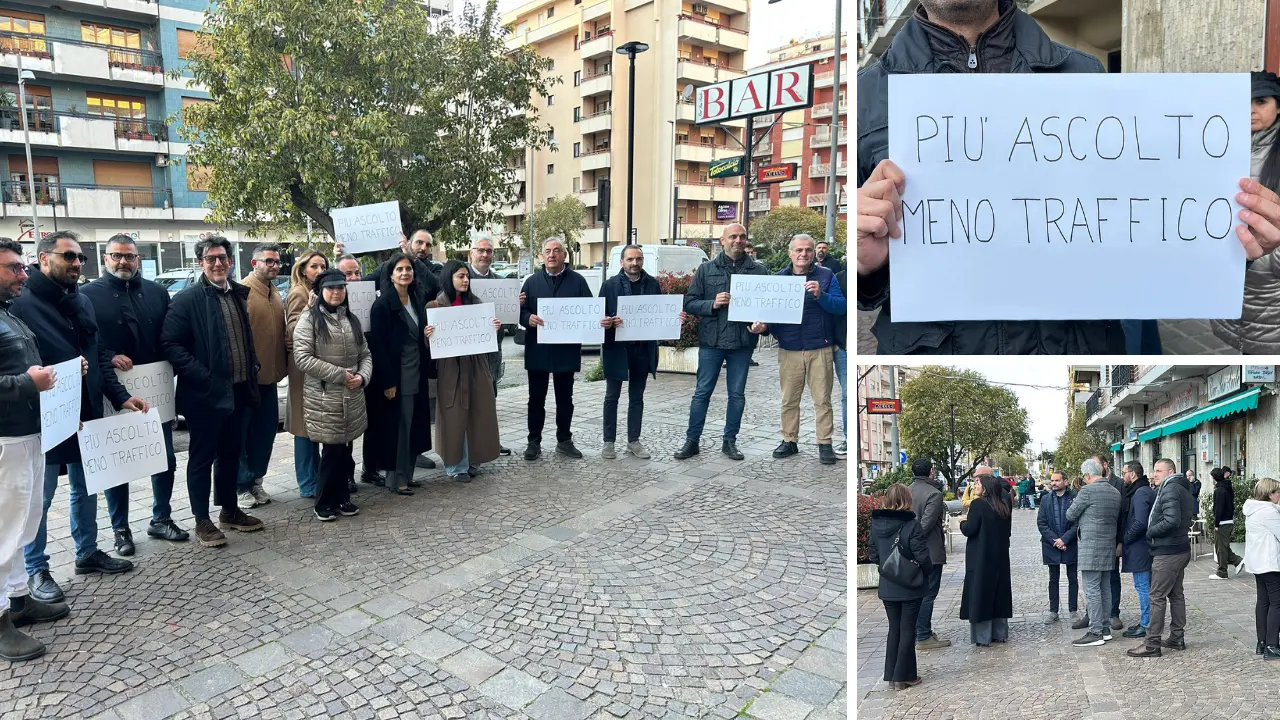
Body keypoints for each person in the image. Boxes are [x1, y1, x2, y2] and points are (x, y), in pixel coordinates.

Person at [856, 0, 1280, 353]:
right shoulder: (866, 95)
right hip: (932, 349)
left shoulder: (1085, 74)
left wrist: (1217, 246)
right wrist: (861, 266)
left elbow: (1132, 221)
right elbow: (858, 273)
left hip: (1075, 343)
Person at [14, 231, 144, 603]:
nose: (75, 264)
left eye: (79, 258)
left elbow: (98, 352)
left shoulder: (80, 300)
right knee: (40, 498)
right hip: (42, 418)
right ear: (43, 259)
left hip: (84, 412)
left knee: (86, 488)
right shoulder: (22, 304)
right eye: (68, 256)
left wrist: (121, 398)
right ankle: (36, 568)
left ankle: (87, 553)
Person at [81, 234, 189, 550]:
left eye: (129, 256)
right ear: (105, 258)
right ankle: (121, 530)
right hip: (112, 389)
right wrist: (109, 355)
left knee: (165, 459)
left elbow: (170, 335)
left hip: (155, 390)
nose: (123, 262)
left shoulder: (157, 292)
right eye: (116, 256)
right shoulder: (87, 295)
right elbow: (87, 340)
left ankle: (161, 519)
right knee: (118, 464)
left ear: (138, 259)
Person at [162, 235, 265, 548]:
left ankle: (230, 511)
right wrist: (203, 376)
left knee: (232, 454)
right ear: (200, 263)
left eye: (222, 258)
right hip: (205, 396)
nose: (218, 264)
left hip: (237, 392)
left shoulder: (237, 295)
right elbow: (170, 344)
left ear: (230, 261)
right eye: (211, 259)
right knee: (201, 458)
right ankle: (201, 520)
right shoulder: (187, 299)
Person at [0, 237, 69, 662]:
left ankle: (20, 599)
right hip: (4, 442)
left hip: (28, 435)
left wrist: (62, 378)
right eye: (13, 268)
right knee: (3, 534)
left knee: (25, 525)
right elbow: (23, 379)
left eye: (23, 267)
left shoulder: (9, 315)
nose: (23, 274)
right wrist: (31, 383)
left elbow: (30, 372)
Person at [674, 224, 770, 461]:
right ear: (723, 240)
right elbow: (689, 303)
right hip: (712, 343)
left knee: (736, 395)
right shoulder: (706, 269)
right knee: (701, 393)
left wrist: (763, 326)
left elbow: (768, 308)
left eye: (742, 236)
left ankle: (730, 441)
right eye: (733, 237)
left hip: (742, 343)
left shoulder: (759, 271)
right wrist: (712, 304)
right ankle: (692, 441)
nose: (738, 240)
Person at [293, 269, 372, 521]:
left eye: (340, 287)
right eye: (331, 288)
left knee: (344, 449)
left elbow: (365, 355)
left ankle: (342, 497)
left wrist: (362, 377)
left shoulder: (351, 319)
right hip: (326, 397)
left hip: (352, 395)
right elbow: (303, 358)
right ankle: (323, 502)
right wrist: (341, 374)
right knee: (331, 451)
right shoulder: (310, 319)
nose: (336, 292)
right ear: (320, 291)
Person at [763, 235, 845, 465]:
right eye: (799, 250)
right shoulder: (779, 279)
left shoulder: (826, 276)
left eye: (808, 250)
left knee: (823, 400)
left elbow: (841, 307)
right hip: (789, 348)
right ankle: (789, 440)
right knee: (789, 399)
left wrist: (822, 295)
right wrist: (763, 328)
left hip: (820, 347)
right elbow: (772, 314)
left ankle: (824, 443)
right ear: (790, 253)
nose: (804, 254)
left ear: (813, 254)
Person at [598, 245, 686, 460]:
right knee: (612, 397)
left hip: (642, 349)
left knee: (636, 397)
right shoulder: (609, 286)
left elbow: (659, 314)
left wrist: (675, 319)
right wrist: (609, 322)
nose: (634, 263)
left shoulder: (653, 284)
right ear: (622, 262)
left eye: (638, 259)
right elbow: (598, 318)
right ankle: (609, 442)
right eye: (630, 259)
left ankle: (633, 441)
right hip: (617, 349)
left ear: (642, 260)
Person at [1213, 71, 1280, 354]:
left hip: (1269, 291)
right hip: (1229, 286)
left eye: (1261, 101)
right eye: (1244, 102)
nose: (1251, 110)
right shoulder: (1216, 145)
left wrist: (1266, 259)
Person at [426, 261, 502, 483]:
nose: (465, 280)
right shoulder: (436, 306)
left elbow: (490, 340)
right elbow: (430, 346)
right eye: (460, 276)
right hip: (451, 369)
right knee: (454, 415)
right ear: (449, 277)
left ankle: (473, 460)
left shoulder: (477, 303)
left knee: (478, 412)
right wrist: (428, 334)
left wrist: (494, 328)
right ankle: (455, 465)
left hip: (476, 367)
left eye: (467, 276)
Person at [365, 252, 434, 495]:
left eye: (408, 269)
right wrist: (388, 381)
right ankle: (396, 479)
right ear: (391, 274)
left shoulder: (416, 298)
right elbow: (379, 347)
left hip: (417, 373)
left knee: (414, 426)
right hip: (398, 377)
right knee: (399, 430)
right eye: (400, 270)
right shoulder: (383, 305)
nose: (405, 273)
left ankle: (409, 474)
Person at [518, 237, 592, 461]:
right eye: (548, 251)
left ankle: (564, 440)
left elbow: (590, 310)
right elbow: (519, 310)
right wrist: (527, 317)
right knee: (536, 399)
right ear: (542, 256)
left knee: (565, 399)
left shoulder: (578, 281)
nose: (552, 255)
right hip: (538, 349)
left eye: (557, 251)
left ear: (564, 255)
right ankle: (534, 441)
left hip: (565, 350)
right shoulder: (531, 282)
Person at [866, 483, 932, 690]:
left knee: (894, 629)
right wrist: (924, 571)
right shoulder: (911, 525)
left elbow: (873, 554)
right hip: (910, 585)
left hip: (888, 584)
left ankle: (892, 676)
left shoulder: (876, 524)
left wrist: (888, 568)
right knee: (907, 629)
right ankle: (904, 676)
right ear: (907, 500)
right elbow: (922, 556)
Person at [235, 243, 286, 511]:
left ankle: (256, 479)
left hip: (271, 378)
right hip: (247, 380)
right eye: (269, 261)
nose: (274, 265)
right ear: (254, 263)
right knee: (242, 435)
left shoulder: (275, 292)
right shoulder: (242, 292)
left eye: (277, 261)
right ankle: (241, 485)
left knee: (265, 434)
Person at [1128, 458, 1195, 657]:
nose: (1154, 474)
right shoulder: (1181, 487)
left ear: (1170, 471)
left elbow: (1172, 520)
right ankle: (1176, 637)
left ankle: (1152, 643)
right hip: (1178, 548)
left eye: (1159, 470)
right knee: (1176, 595)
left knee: (1156, 596)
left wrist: (1150, 531)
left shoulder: (1170, 488)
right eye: (1154, 470)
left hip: (1168, 551)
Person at [285, 250, 329, 499]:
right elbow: (292, 329)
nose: (320, 270)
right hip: (303, 370)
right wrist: (308, 310)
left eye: (323, 266)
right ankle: (307, 483)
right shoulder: (300, 293)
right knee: (304, 428)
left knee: (317, 426)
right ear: (303, 270)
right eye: (315, 266)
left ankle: (316, 478)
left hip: (320, 366)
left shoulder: (320, 292)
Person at [1066, 459, 1121, 647]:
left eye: (1084, 477)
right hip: (1108, 545)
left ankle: (1096, 630)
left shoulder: (1087, 491)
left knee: (1091, 590)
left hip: (1090, 547)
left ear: (1088, 475)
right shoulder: (1114, 491)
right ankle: (1105, 629)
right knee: (1105, 588)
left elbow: (1070, 515)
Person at [466, 235, 511, 456]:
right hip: (466, 353)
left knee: (489, 399)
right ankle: (470, 444)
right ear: (471, 253)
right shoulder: (461, 279)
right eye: (480, 250)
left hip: (491, 354)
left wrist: (514, 306)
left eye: (489, 251)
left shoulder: (501, 283)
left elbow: (507, 321)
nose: (485, 255)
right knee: (467, 400)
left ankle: (490, 440)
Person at [958, 470, 1013, 646]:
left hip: (981, 557)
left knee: (981, 593)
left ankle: (983, 637)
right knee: (998, 594)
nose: (975, 486)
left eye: (978, 483)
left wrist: (962, 522)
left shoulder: (979, 505)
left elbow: (970, 529)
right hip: (1000, 557)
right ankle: (999, 633)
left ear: (987, 487)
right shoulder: (1003, 505)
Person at [908, 459, 949, 650]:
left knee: (917, 593)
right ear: (931, 472)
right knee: (928, 593)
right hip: (929, 551)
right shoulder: (934, 493)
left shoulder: (907, 490)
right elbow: (926, 524)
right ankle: (923, 635)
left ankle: (921, 631)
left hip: (908, 551)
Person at [1243, 477, 1280, 659]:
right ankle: (1272, 645)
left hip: (1258, 562)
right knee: (1277, 603)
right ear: (1270, 494)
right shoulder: (1268, 512)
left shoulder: (1254, 509)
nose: (1279, 495)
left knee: (1263, 602)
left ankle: (1262, 642)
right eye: (1277, 491)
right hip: (1270, 563)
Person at [1119, 461, 1155, 640]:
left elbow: (1140, 522)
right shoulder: (1142, 490)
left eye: (1124, 472)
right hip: (1143, 547)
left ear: (1133, 474)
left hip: (1140, 548)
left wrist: (1125, 539)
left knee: (1143, 587)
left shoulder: (1140, 493)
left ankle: (1146, 624)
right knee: (1145, 587)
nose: (1122, 475)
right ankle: (1146, 621)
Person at [1037, 471, 1079, 625]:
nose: (1053, 483)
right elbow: (1041, 523)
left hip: (1070, 544)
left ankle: (1073, 610)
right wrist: (1056, 540)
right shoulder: (1045, 499)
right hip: (1051, 545)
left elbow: (1078, 523)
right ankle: (1053, 611)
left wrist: (1065, 539)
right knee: (1053, 579)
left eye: (1057, 480)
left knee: (1072, 578)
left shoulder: (1075, 498)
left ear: (1065, 482)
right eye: (1052, 480)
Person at [1211, 466, 1245, 580]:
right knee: (1223, 546)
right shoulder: (1227, 487)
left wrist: (1216, 524)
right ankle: (1237, 561)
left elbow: (1219, 509)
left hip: (1223, 522)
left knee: (1221, 547)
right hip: (1228, 520)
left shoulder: (1220, 490)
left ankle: (1222, 572)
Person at [832, 269, 847, 457]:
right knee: (847, 395)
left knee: (848, 395)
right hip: (843, 346)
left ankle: (848, 438)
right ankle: (848, 439)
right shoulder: (840, 277)